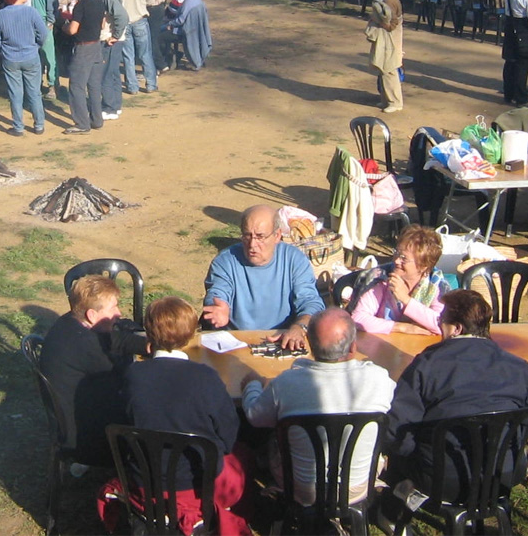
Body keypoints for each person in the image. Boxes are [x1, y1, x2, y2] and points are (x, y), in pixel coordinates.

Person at [381, 290, 528, 522]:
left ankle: (392, 515)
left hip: (442, 480)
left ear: (457, 328)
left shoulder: (427, 365)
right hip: (502, 476)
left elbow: (399, 431)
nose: (440, 326)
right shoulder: (518, 366)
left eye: (442, 321)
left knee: (395, 454)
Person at [120, 297, 252, 536]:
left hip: (144, 479)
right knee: (242, 456)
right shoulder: (206, 378)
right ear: (191, 333)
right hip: (196, 484)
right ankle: (228, 519)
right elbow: (228, 434)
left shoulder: (133, 375)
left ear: (148, 334)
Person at [241, 309, 396, 507]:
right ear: (353, 347)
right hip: (358, 486)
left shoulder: (286, 384)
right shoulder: (379, 379)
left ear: (310, 346)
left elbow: (255, 417)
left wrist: (252, 385)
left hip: (300, 487)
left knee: (272, 439)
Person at [40, 274, 143, 467]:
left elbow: (115, 339)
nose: (119, 313)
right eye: (113, 308)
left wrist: (139, 341)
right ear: (92, 315)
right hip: (85, 439)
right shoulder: (85, 345)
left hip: (79, 416)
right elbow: (126, 372)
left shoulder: (70, 323)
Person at [202, 204, 326, 350]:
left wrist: (299, 327)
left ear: (277, 236)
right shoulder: (225, 261)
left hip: (284, 340)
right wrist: (219, 307)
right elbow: (218, 292)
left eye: (260, 237)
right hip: (236, 343)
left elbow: (311, 302)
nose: (252, 244)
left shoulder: (294, 259)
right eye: (247, 235)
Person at [351, 225, 448, 335]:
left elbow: (443, 325)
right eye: (397, 253)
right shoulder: (381, 278)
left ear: (423, 266)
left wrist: (406, 300)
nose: (396, 261)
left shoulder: (436, 286)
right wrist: (401, 327)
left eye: (404, 259)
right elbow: (357, 318)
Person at [0, 0, 46, 136]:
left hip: (10, 59)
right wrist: (36, 46)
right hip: (31, 57)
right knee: (34, 92)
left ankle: (18, 127)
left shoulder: (0, 15)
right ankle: (39, 125)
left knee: (15, 93)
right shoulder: (31, 12)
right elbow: (43, 33)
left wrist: (3, 52)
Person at [64, 0, 105, 135]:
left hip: (83, 48)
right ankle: (97, 119)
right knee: (94, 86)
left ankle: (82, 123)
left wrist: (64, 27)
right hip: (96, 46)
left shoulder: (81, 6)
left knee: (77, 86)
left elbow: (73, 30)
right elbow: (102, 24)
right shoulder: (99, 2)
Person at [112, 0, 159, 94]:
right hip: (140, 20)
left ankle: (132, 87)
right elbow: (151, 0)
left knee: (128, 56)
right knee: (146, 54)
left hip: (123, 23)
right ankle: (151, 84)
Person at [89, 0, 130, 122]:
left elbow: (122, 17)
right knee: (113, 74)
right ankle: (116, 106)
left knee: (105, 74)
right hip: (113, 40)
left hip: (110, 40)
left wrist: (115, 35)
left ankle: (109, 107)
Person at [366, 0, 403, 113]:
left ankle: (395, 102)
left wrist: (378, 20)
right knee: (383, 68)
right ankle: (386, 99)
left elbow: (391, 25)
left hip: (390, 39)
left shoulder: (390, 1)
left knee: (389, 69)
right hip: (386, 38)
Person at [164, 0, 211, 71]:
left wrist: (170, 24)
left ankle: (171, 57)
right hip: (193, 30)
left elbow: (181, 20)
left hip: (185, 31)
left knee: (160, 36)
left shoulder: (189, 1)